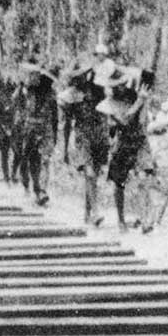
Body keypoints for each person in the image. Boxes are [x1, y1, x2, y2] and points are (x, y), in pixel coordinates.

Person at [99, 64, 155, 232]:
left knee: (144, 177)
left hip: (140, 141)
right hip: (123, 142)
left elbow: (142, 121)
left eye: (123, 84)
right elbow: (125, 120)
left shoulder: (135, 94)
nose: (121, 88)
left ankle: (145, 219)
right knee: (119, 182)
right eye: (117, 86)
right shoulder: (109, 104)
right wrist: (140, 102)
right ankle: (121, 220)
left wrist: (144, 101)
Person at [59, 59, 109, 225]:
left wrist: (107, 135)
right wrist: (65, 149)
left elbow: (105, 112)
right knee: (90, 174)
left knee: (93, 175)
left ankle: (88, 212)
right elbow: (67, 124)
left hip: (98, 135)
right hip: (82, 136)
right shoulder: (70, 96)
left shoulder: (97, 89)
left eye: (82, 75)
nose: (80, 79)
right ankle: (95, 212)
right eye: (76, 77)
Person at [14, 61, 59, 206]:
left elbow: (55, 116)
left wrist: (55, 134)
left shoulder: (51, 95)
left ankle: (42, 190)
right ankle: (34, 187)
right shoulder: (28, 91)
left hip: (45, 129)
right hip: (29, 129)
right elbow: (16, 102)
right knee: (30, 160)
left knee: (45, 160)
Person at [0, 68, 18, 184]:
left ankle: (12, 174)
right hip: (3, 124)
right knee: (5, 152)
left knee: (17, 151)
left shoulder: (14, 96)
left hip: (13, 124)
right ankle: (7, 176)